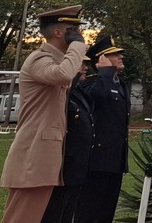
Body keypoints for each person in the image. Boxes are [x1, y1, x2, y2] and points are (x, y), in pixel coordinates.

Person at [0, 5, 89, 223]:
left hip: (46, 154)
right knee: (23, 217)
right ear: (58, 33)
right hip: (35, 153)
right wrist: (77, 46)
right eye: (73, 30)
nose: (80, 35)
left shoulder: (56, 59)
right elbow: (65, 75)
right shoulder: (39, 59)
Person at [75, 36, 129, 223]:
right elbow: (96, 96)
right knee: (90, 210)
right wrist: (105, 73)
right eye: (114, 54)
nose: (120, 56)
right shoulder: (91, 83)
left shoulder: (121, 85)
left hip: (115, 159)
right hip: (96, 159)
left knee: (107, 210)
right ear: (102, 60)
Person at [42, 57, 94, 223]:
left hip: (78, 164)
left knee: (68, 211)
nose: (85, 67)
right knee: (55, 211)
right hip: (64, 163)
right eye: (81, 63)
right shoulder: (63, 92)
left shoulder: (79, 93)